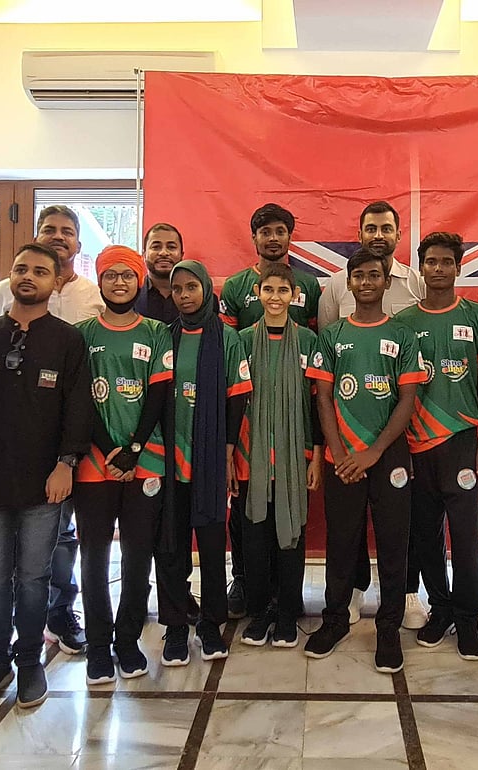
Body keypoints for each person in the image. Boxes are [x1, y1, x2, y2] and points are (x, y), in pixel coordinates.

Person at [0, 243, 92, 712]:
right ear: (10, 277)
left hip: (45, 482)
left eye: (40, 271)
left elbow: (78, 408)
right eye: (21, 269)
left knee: (34, 578)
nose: (29, 276)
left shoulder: (68, 340)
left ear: (57, 282)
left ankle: (30, 661)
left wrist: (66, 464)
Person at [305, 248, 424, 673]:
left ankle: (388, 628)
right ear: (349, 282)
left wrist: (373, 452)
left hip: (387, 452)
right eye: (360, 275)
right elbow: (322, 397)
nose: (367, 282)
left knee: (394, 543)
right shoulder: (332, 335)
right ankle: (335, 619)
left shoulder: (404, 335)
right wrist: (339, 451)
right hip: (343, 455)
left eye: (376, 275)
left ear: (386, 281)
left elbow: (408, 399)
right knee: (342, 540)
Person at [394, 232, 478, 661]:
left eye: (446, 262)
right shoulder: (403, 321)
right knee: (425, 534)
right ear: (422, 268)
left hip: (461, 441)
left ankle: (468, 617)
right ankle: (440, 609)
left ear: (458, 268)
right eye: (431, 262)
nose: (438, 269)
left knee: (465, 536)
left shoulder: (477, 317)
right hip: (416, 442)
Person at [74, 245, 172, 685]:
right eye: (110, 275)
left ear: (140, 282)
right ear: (99, 281)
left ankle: (127, 640)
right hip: (94, 464)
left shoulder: (156, 332)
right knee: (93, 557)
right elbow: (76, 400)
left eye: (127, 276)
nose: (119, 282)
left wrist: (133, 448)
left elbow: (159, 395)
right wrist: (108, 448)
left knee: (138, 556)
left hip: (145, 462)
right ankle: (97, 646)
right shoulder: (81, 334)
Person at [220, 203, 322, 620]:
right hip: (250, 434)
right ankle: (247, 586)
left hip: (293, 429)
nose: (273, 238)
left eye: (281, 230)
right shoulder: (236, 299)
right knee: (247, 522)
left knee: (290, 523)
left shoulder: (310, 292)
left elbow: (317, 389)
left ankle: (287, 600)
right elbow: (229, 370)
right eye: (266, 232)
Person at [156, 260, 251, 666]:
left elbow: (237, 397)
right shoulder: (164, 336)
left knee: (213, 548)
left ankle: (210, 625)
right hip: (168, 459)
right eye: (177, 288)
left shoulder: (227, 338)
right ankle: (176, 627)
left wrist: (228, 451)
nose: (184, 294)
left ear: (206, 289)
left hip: (211, 459)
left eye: (191, 286)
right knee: (171, 547)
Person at [235, 262, 324, 648]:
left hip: (294, 456)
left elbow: (321, 403)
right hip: (249, 456)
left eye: (282, 291)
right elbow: (233, 402)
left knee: (290, 536)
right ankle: (261, 611)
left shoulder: (308, 342)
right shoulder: (239, 341)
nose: (275, 297)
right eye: (268, 290)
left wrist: (317, 456)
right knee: (255, 538)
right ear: (257, 294)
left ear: (295, 296)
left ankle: (288, 611)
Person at [135, 222, 185, 324]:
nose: (163, 253)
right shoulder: (131, 295)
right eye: (156, 247)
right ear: (144, 254)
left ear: (181, 254)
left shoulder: (197, 298)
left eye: (171, 247)